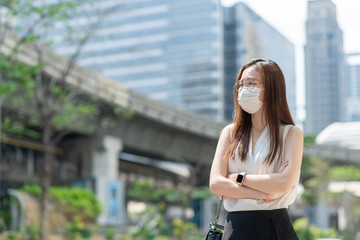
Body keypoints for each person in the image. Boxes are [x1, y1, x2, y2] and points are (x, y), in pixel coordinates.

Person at [209, 58, 303, 239]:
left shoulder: (290, 134)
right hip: (236, 228)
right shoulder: (229, 133)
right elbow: (215, 184)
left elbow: (284, 183)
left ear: (272, 89)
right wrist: (266, 193)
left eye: (251, 83)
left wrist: (237, 178)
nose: (244, 89)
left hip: (275, 228)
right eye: (241, 84)